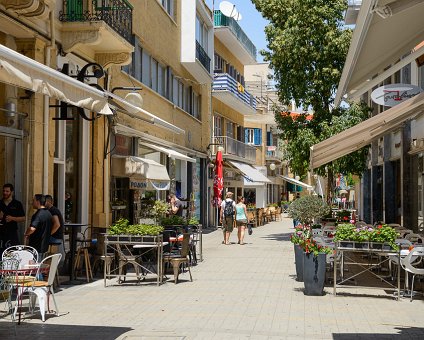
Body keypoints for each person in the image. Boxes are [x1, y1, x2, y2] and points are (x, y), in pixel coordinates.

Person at [24, 194, 52, 260]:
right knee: (40, 267)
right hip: (44, 247)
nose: (32, 202)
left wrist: (26, 233)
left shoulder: (38, 214)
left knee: (34, 268)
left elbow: (32, 228)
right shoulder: (48, 213)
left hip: (36, 248)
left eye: (33, 200)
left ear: (38, 202)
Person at [0, 183, 25, 251]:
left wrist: (12, 218)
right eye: (4, 191)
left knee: (13, 252)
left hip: (12, 232)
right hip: (1, 232)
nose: (5, 193)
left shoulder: (17, 204)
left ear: (12, 192)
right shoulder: (0, 203)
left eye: (7, 191)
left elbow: (23, 218)